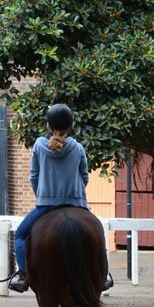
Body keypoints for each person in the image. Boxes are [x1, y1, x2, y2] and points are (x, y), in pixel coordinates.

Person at [9, 103, 111, 293]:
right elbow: (85, 175)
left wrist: (43, 195)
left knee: (21, 235)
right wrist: (75, 194)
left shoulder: (39, 146)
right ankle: (103, 276)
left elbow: (33, 176)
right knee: (98, 233)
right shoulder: (78, 147)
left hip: (46, 205)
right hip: (76, 203)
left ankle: (23, 275)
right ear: (70, 126)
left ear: (49, 125)